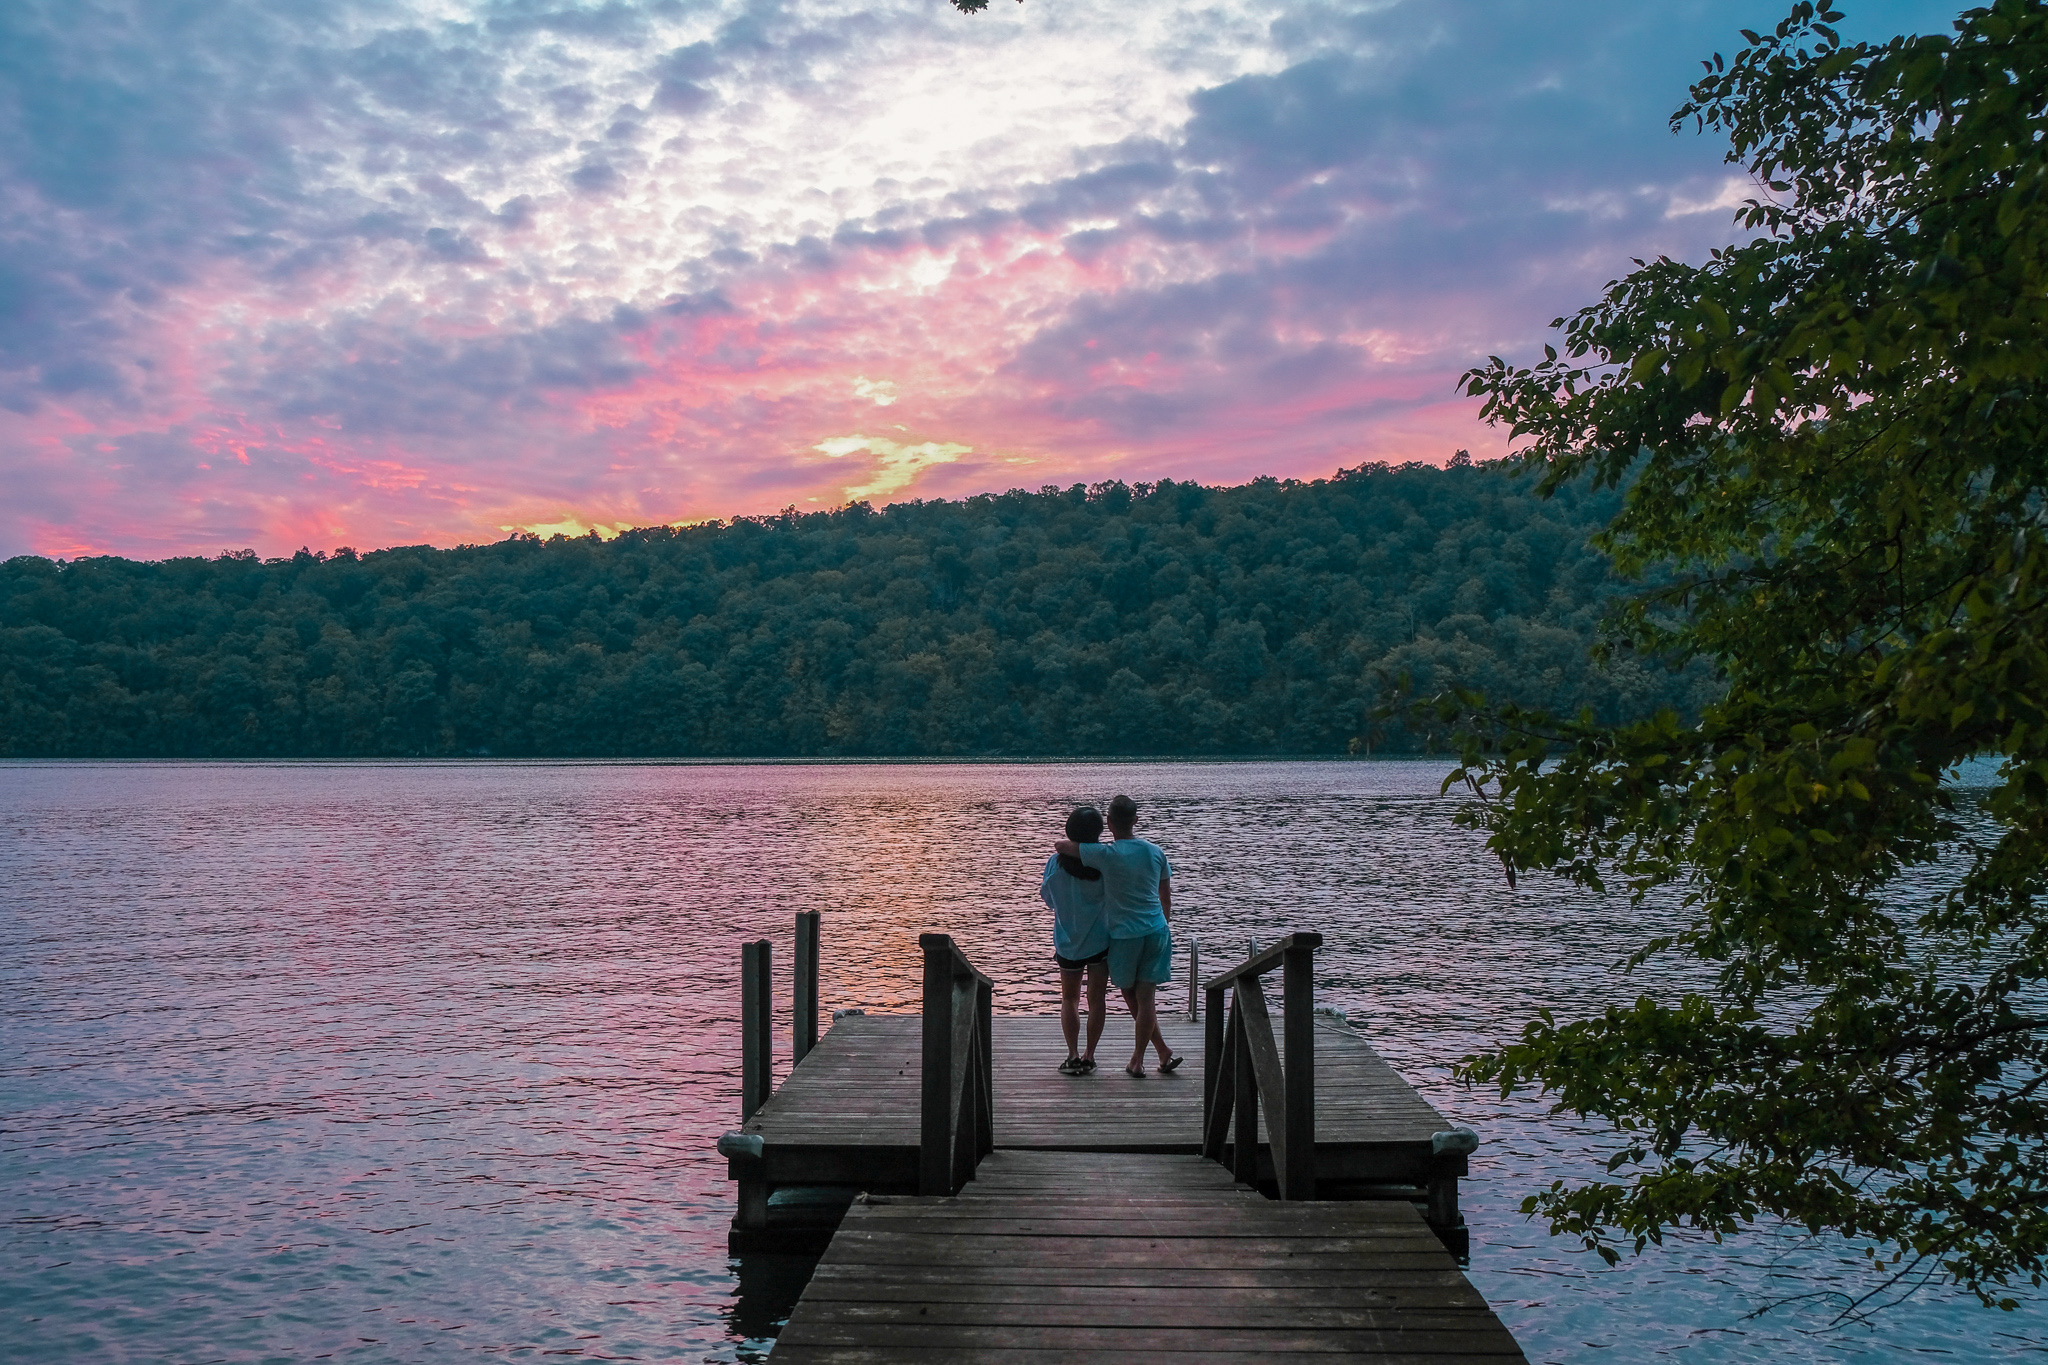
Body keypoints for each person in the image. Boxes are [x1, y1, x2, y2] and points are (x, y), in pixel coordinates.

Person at [1054, 793, 1179, 1078]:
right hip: (1158, 930)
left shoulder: (1106, 854)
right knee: (1146, 997)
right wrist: (1162, 925)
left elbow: (1062, 846)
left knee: (1130, 995)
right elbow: (1166, 899)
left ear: (1109, 823)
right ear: (1136, 820)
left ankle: (1147, 1056)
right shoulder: (1156, 852)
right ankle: (1148, 1056)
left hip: (1125, 936)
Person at [1040, 806, 1111, 1076]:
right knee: (1097, 1000)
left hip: (1067, 941)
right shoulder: (1103, 862)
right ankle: (1089, 1056)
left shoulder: (1055, 863)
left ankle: (1071, 1056)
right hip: (1101, 941)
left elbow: (1048, 899)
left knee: (1069, 999)